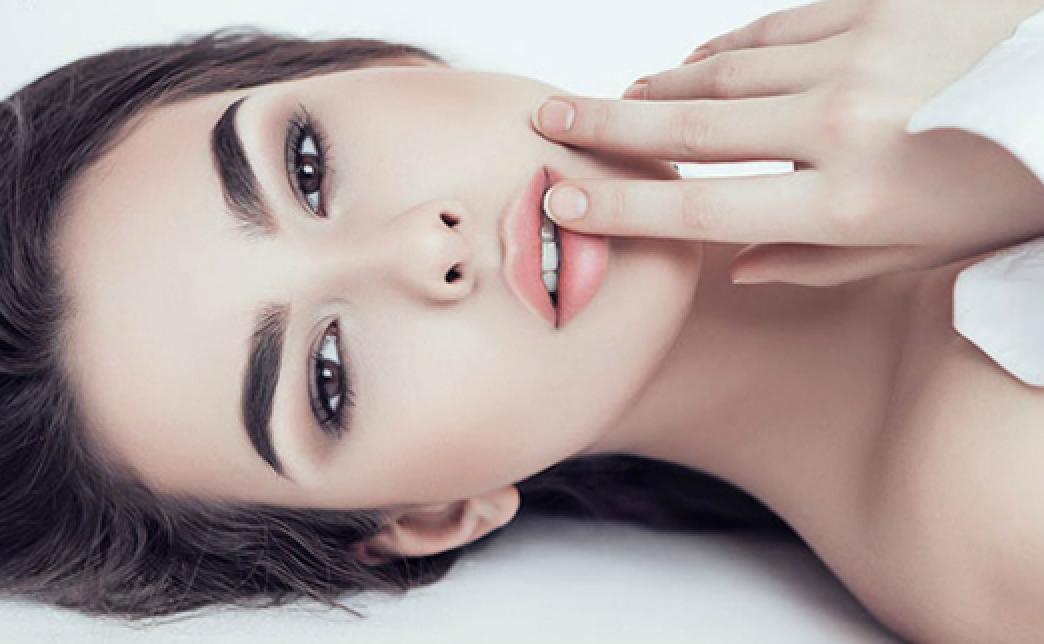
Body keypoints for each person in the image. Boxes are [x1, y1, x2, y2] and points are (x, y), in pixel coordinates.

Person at [2, 2, 1043, 642]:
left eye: (306, 165)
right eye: (326, 376)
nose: (426, 249)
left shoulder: (899, 42)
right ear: (421, 518)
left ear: (381, 63)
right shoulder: (995, 519)